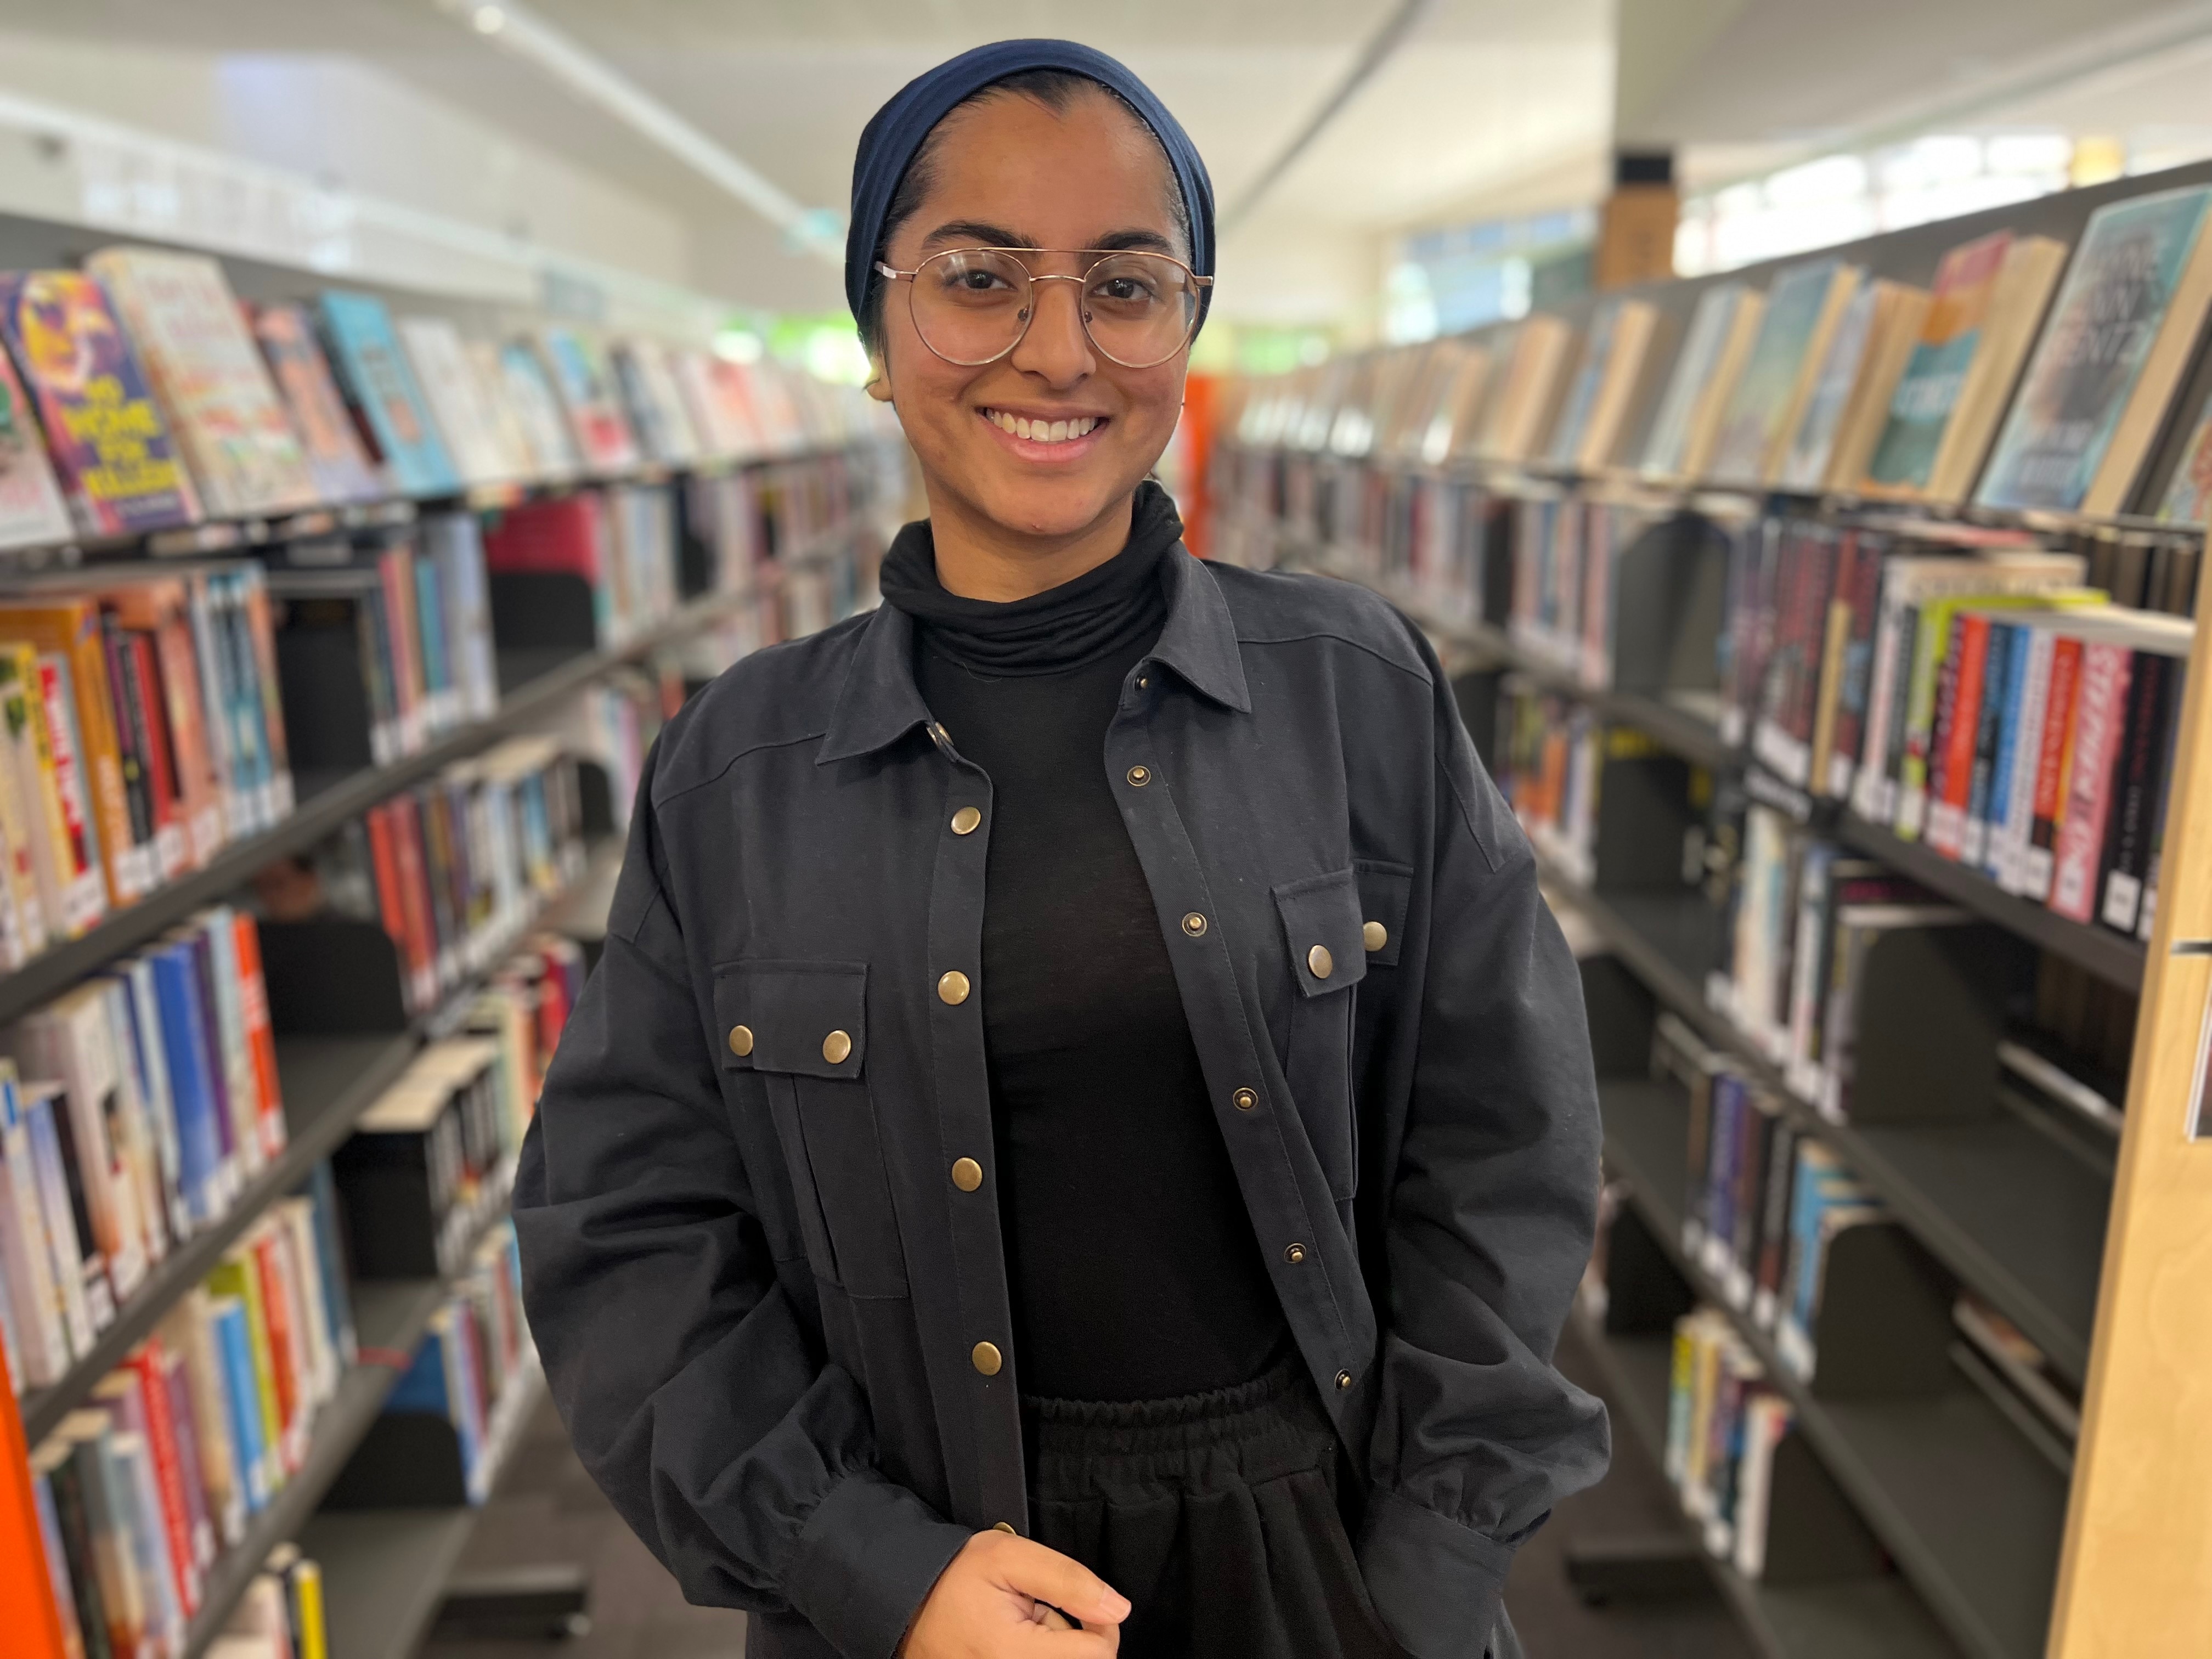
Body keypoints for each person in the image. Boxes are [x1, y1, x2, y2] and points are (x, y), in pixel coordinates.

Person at [514, 37, 1610, 1659]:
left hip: (1328, 1563)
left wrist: (1433, 1561)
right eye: (977, 278)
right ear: (879, 331)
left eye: (1125, 283)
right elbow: (628, 1233)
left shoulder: (1355, 691)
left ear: (1186, 323)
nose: (1056, 350)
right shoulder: (739, 767)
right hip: (918, 1590)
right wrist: (872, 1567)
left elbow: (1503, 1147)